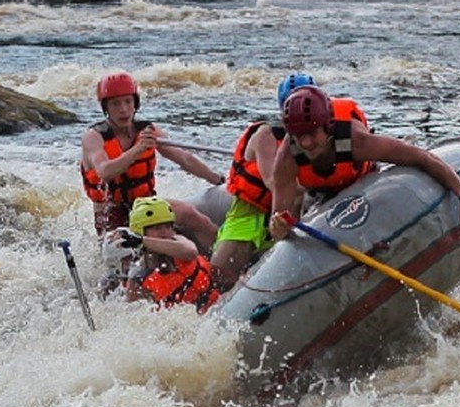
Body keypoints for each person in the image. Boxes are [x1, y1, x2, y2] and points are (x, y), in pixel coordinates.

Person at [267, 84, 460, 241]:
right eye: (299, 135)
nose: (306, 143)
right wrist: (279, 227)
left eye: (312, 133)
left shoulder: (357, 141)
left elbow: (422, 158)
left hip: (364, 184)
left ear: (327, 126)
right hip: (319, 197)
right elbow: (279, 221)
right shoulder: (287, 160)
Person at [80, 71, 222, 251]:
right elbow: (104, 172)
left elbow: (184, 159)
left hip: (146, 204)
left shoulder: (148, 130)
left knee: (192, 215)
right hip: (111, 215)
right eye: (115, 104)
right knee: (135, 255)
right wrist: (137, 149)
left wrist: (219, 179)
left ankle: (220, 264)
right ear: (105, 107)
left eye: (128, 102)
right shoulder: (93, 137)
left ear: (135, 103)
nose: (123, 109)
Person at [209, 73, 316, 289]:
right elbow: (271, 181)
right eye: (292, 104)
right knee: (219, 277)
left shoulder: (319, 134)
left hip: (291, 210)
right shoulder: (265, 134)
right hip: (250, 212)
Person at [123, 196, 220, 311]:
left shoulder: (179, 240)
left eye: (168, 227)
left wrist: (142, 241)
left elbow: (191, 253)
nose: (165, 232)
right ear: (140, 232)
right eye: (157, 228)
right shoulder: (138, 276)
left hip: (218, 303)